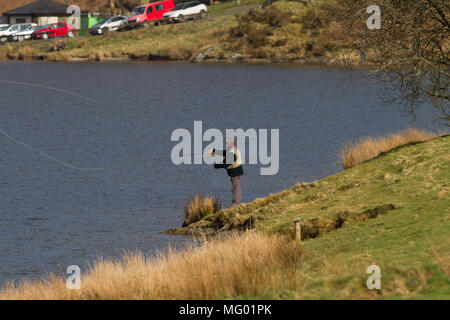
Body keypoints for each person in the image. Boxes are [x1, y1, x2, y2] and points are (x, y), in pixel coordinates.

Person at [208, 137, 244, 206]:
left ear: (230, 144)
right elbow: (224, 153)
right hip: (236, 173)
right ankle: (236, 204)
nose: (226, 144)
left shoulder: (232, 152)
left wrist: (216, 166)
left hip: (235, 173)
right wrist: (214, 151)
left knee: (236, 189)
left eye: (227, 143)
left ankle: (236, 205)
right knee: (235, 188)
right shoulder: (232, 149)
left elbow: (226, 163)